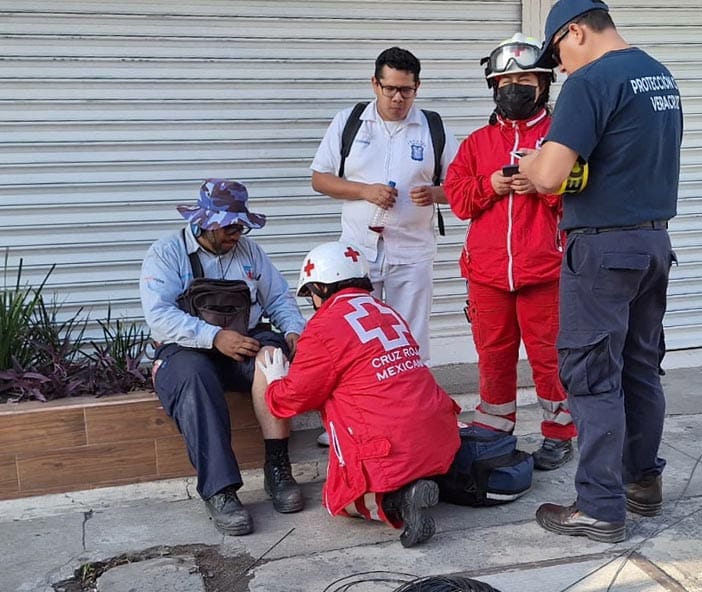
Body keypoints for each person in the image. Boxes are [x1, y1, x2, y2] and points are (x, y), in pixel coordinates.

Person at [519, 0, 682, 543]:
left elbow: (551, 175)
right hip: (654, 242)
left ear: (576, 32)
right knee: (639, 367)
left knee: (591, 377)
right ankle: (643, 484)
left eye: (558, 51)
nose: (560, 66)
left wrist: (528, 162)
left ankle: (599, 507)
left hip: (603, 250)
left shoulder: (591, 81)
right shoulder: (660, 75)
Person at [260, 241, 461, 548]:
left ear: (320, 288)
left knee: (339, 501)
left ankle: (401, 502)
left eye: (310, 293)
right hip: (439, 434)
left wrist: (274, 384)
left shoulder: (323, 327)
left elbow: (293, 399)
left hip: (388, 446)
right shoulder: (386, 311)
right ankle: (420, 483)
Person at [140, 179, 307, 536]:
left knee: (273, 359)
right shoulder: (166, 253)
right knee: (194, 378)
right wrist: (214, 337)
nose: (237, 233)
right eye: (230, 225)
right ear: (205, 222)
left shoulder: (249, 252)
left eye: (240, 225)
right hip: (185, 348)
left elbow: (278, 298)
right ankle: (220, 491)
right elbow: (159, 315)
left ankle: (278, 468)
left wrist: (293, 330)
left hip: (243, 339)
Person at [444, 33, 577, 470]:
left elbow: (579, 198)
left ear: (543, 83)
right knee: (494, 357)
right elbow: (459, 199)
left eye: (524, 79)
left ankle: (560, 433)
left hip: (545, 270)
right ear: (494, 87)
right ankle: (493, 431)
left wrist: (541, 184)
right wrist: (491, 186)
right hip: (486, 275)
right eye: (505, 81)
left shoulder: (562, 137)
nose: (514, 88)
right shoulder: (477, 143)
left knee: (549, 358)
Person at [309, 46, 459, 368]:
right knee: (358, 335)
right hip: (357, 254)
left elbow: (461, 187)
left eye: (406, 90)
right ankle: (364, 402)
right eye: (389, 88)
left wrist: (434, 193)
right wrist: (364, 191)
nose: (397, 98)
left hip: (413, 253)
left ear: (417, 88)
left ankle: (413, 405)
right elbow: (320, 180)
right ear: (375, 84)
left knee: (412, 338)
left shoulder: (433, 127)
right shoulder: (349, 122)